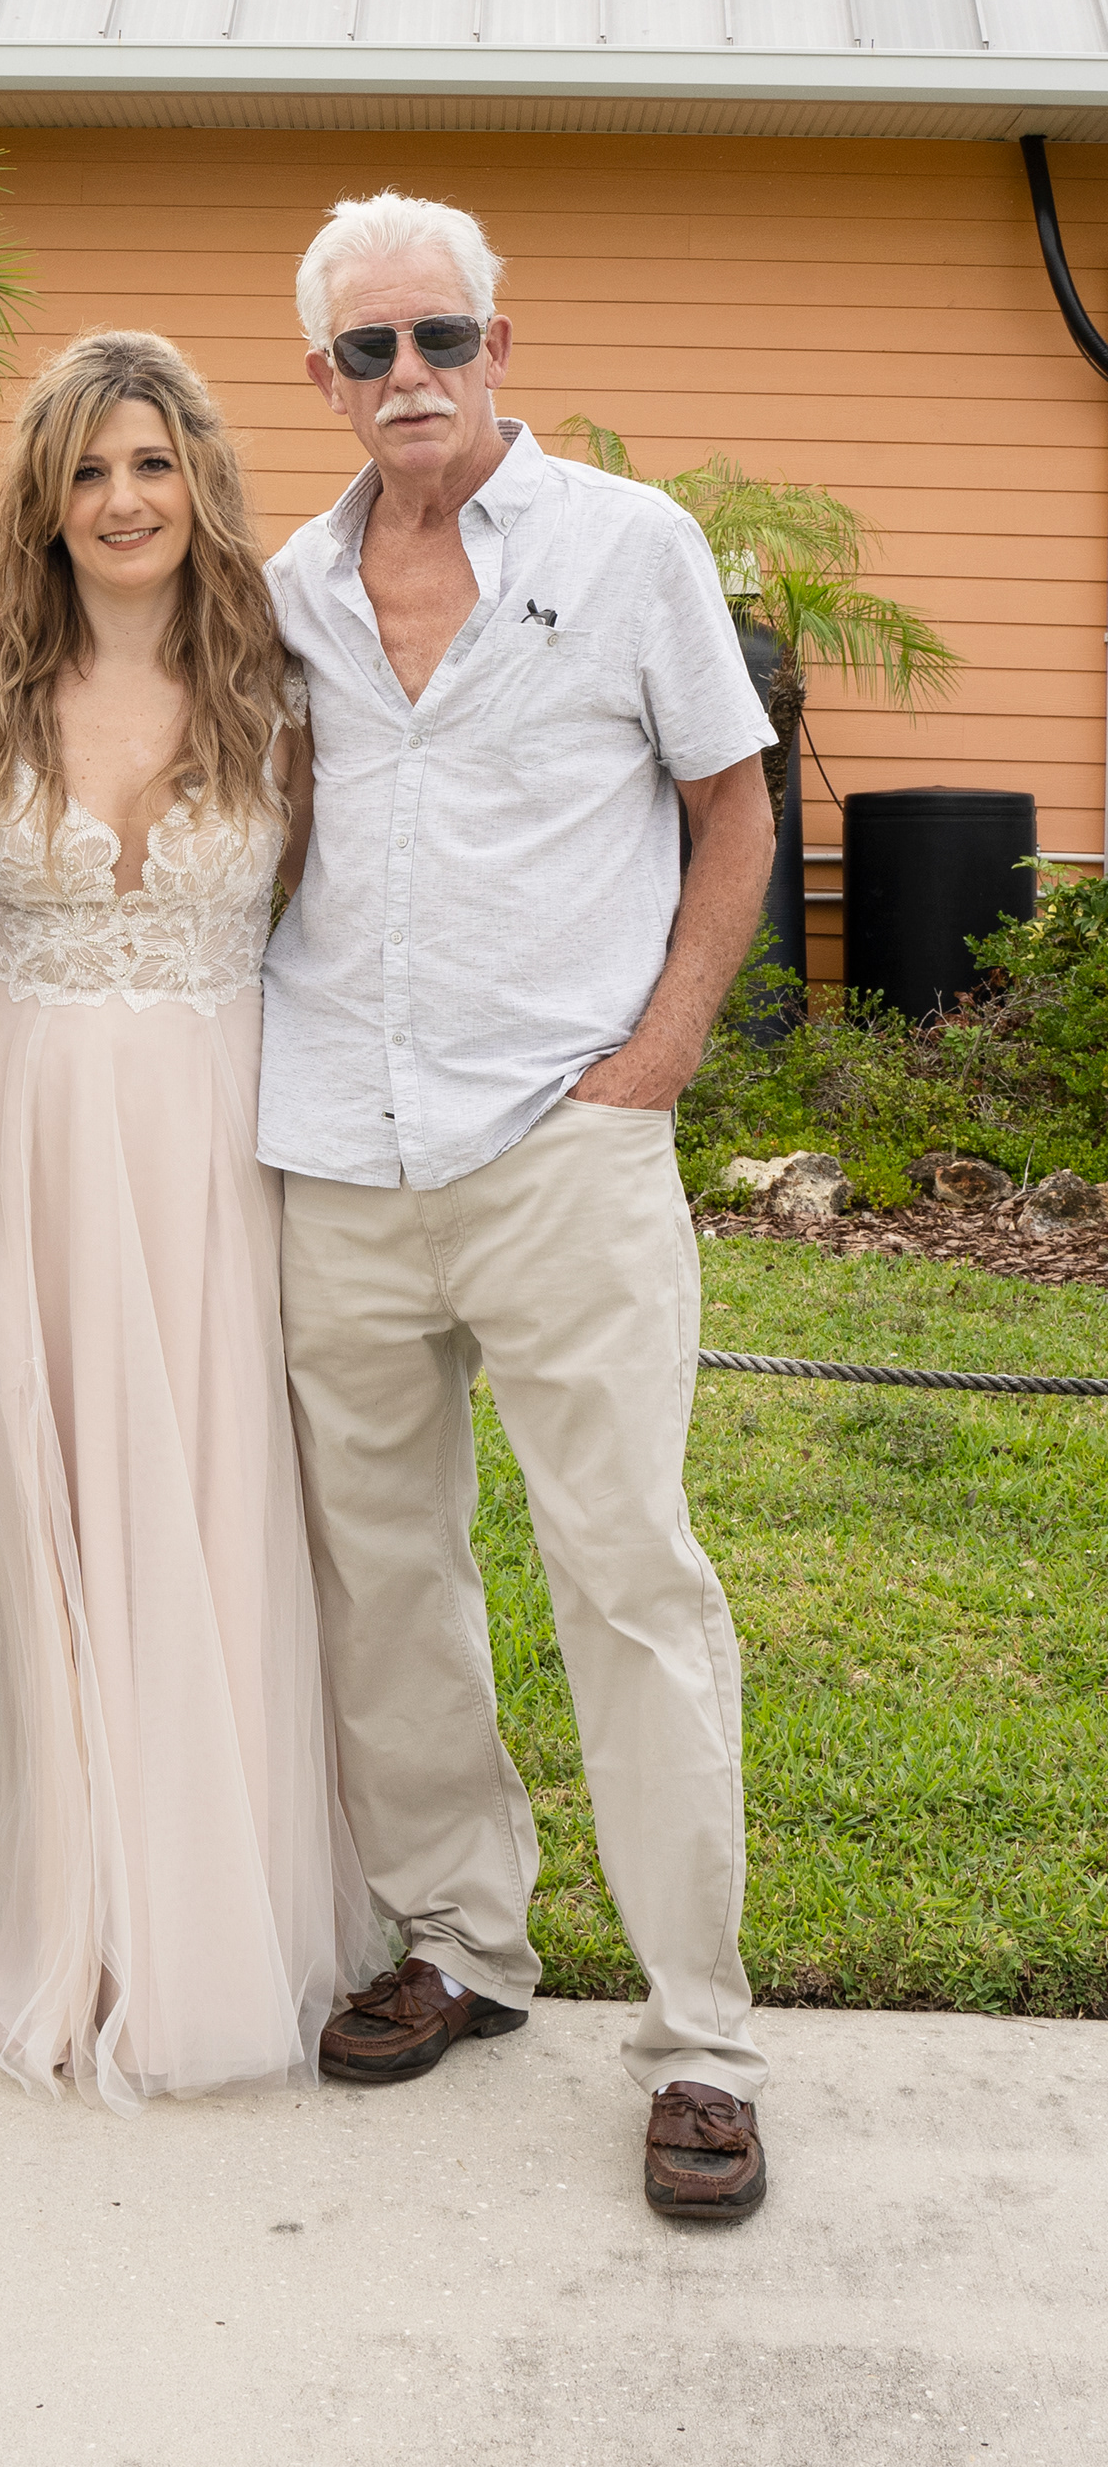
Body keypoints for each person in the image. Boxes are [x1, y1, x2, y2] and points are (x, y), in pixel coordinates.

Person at [263, 191, 779, 2221]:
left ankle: (703, 2040)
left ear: (501, 343)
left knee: (631, 1580)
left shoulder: (634, 547)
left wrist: (655, 1061)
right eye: (368, 348)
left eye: (441, 337)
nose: (410, 376)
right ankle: (464, 1944)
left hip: (564, 1148)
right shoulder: (284, 589)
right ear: (322, 376)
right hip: (336, 1156)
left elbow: (735, 809)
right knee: (383, 1579)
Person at [0, 330, 382, 2109]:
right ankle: (76, 1902)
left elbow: (330, 916)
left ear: (201, 481)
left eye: (152, 464)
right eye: (88, 471)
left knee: (223, 1495)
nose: (124, 499)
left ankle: (216, 1909)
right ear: (47, 500)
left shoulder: (287, 685)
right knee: (49, 1498)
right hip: (25, 1126)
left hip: (222, 1133)